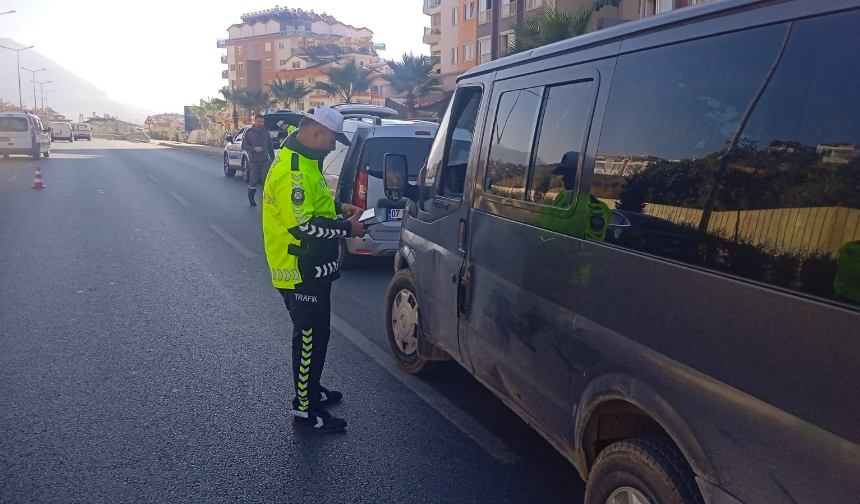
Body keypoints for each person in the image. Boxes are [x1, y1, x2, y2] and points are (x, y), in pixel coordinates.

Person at [262, 106, 366, 433]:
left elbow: (314, 203)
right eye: (333, 139)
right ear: (317, 133)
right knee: (309, 339)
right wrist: (348, 228)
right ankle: (306, 410)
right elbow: (303, 226)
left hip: (314, 266)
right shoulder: (293, 171)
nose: (334, 146)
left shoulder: (307, 162)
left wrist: (340, 208)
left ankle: (312, 389)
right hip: (299, 268)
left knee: (319, 335)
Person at [241, 114, 276, 207]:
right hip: (254, 161)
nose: (261, 123)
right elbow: (243, 146)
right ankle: (251, 196)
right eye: (259, 121)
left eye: (263, 122)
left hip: (265, 160)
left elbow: (270, 147)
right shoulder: (249, 132)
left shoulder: (266, 132)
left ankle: (267, 200)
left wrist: (272, 159)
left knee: (267, 181)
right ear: (255, 121)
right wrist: (254, 149)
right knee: (254, 180)